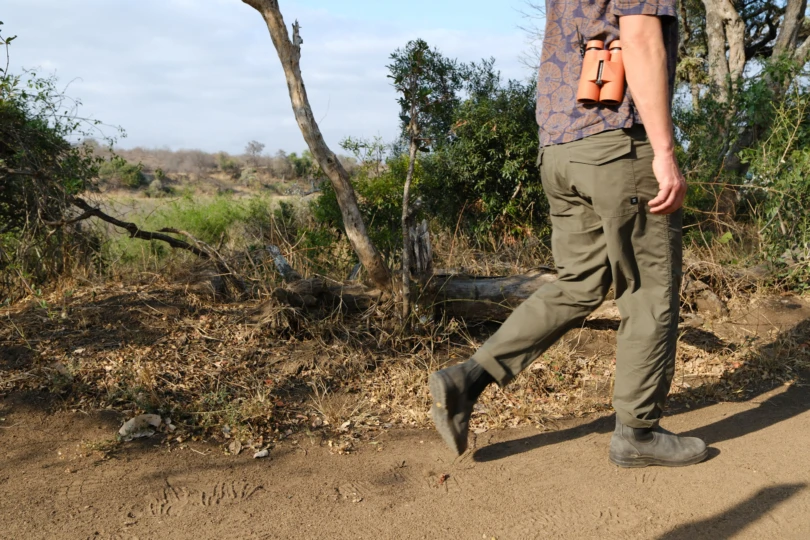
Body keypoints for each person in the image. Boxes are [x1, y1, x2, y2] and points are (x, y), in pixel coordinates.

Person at [428, 0, 708, 468]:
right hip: (618, 142)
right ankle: (638, 432)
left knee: (581, 282)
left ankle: (466, 380)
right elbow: (639, 37)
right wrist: (664, 152)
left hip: (559, 147)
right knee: (649, 290)